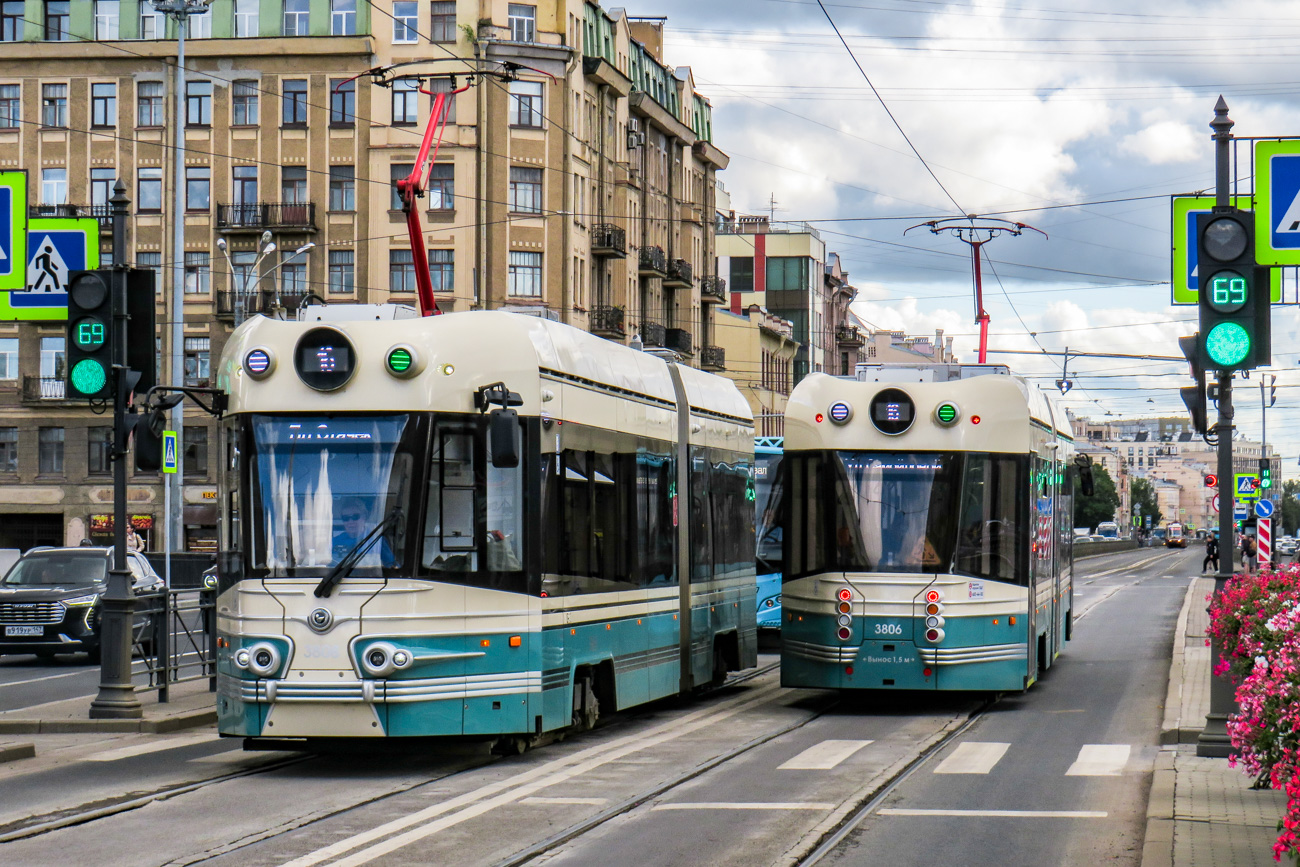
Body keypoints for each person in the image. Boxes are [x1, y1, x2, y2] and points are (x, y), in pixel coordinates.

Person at [332, 497, 396, 567]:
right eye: (346, 518)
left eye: (355, 517)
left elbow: (392, 566)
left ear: (364, 517)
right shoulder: (334, 541)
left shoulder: (377, 541)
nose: (350, 522)